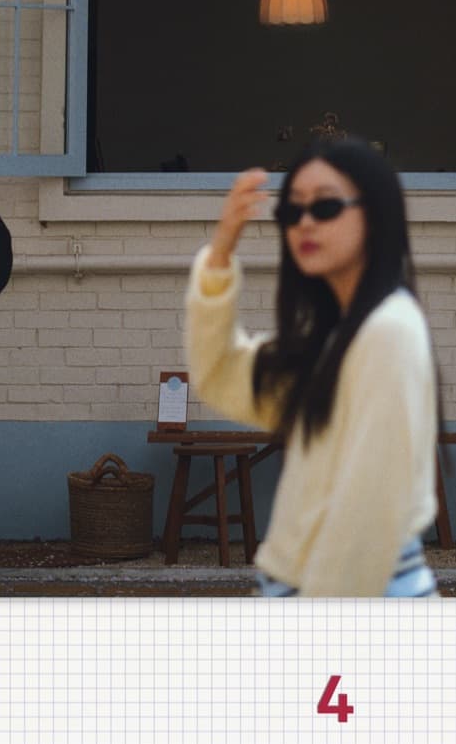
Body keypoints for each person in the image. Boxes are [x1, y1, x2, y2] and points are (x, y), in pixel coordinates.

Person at [185, 137, 441, 597]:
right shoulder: (336, 337)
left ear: (375, 213)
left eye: (324, 208)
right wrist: (221, 253)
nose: (303, 223)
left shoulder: (388, 331)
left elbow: (365, 517)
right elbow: (220, 376)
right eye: (290, 211)